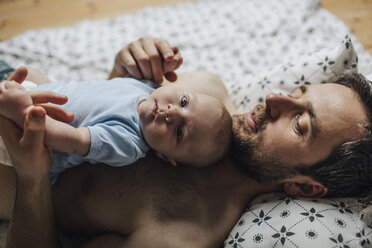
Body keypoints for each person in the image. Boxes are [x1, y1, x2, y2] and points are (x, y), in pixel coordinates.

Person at [0, 37, 371, 248]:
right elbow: (104, 107)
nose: (275, 99)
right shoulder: (203, 90)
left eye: (300, 123)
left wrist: (31, 177)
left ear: (305, 187)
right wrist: (123, 70)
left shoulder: (179, 235)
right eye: (297, 94)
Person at [0, 42, 232, 184]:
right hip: (31, 96)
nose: (171, 113)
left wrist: (22, 112)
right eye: (183, 101)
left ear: (164, 157)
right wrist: (164, 58)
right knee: (29, 71)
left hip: (22, 137)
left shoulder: (127, 143)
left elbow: (68, 140)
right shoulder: (149, 88)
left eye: (179, 132)